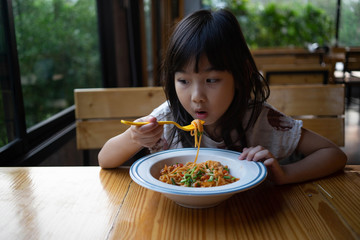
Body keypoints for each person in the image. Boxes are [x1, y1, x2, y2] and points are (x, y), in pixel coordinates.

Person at [98, 9, 347, 185]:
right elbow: (105, 160)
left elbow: (334, 155)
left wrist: (286, 175)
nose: (197, 97)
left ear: (240, 76)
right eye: (183, 81)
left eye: (211, 80)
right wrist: (134, 136)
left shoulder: (261, 119)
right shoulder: (168, 118)